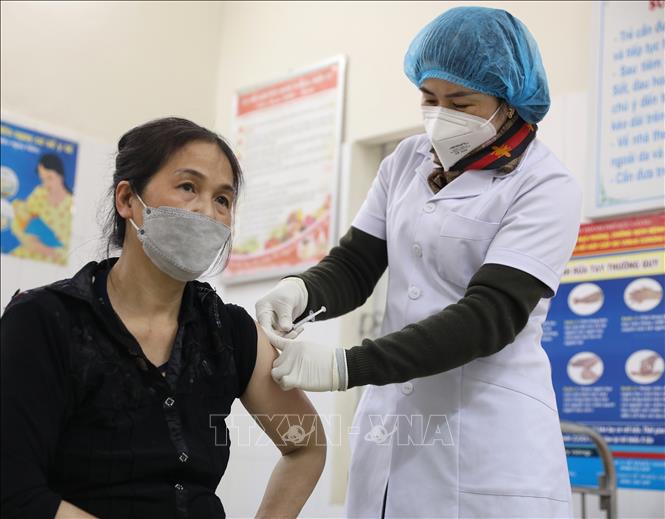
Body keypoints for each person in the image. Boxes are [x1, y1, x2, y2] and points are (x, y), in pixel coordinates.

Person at [257, 7, 582, 519]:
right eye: (429, 98)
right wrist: (300, 290)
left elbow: (490, 316)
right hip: (393, 430)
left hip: (487, 439)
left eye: (461, 102)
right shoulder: (406, 161)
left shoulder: (545, 185)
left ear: (509, 104)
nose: (440, 114)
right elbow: (355, 265)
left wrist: (347, 366)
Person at [1, 118, 326, 519]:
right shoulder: (43, 321)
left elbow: (307, 444)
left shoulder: (228, 330)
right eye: (188, 187)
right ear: (127, 199)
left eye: (223, 200)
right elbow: (13, 491)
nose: (207, 212)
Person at [10, 154, 73, 264]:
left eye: (50, 178)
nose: (46, 184)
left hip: (55, 261)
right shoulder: (39, 193)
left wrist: (45, 250)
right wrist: (27, 240)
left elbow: (70, 249)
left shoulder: (71, 203)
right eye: (43, 179)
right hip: (27, 253)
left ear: (61, 175)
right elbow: (18, 222)